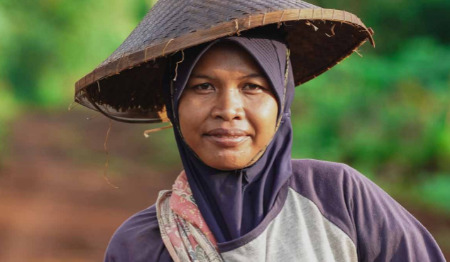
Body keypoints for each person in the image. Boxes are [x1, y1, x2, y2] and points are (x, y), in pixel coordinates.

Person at [74, 1, 446, 261]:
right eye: (202, 87)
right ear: (173, 105)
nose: (228, 110)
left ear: (282, 101)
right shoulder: (141, 245)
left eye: (252, 87)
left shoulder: (340, 200)